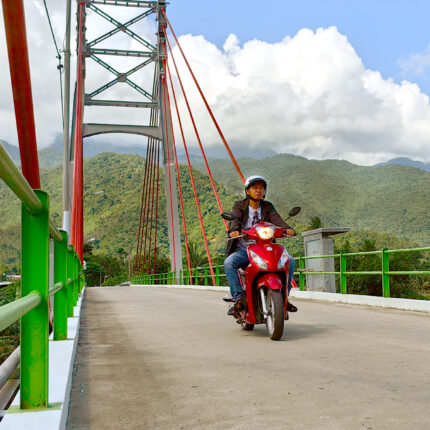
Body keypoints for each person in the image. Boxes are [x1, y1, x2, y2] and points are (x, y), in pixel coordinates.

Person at [223, 175, 298, 316]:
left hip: (264, 249)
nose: (258, 190)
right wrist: (234, 230)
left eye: (261, 188)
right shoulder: (239, 206)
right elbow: (235, 220)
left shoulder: (268, 207)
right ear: (247, 191)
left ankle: (285, 297)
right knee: (229, 263)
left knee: (290, 260)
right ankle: (238, 299)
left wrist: (287, 229)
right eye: (254, 188)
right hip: (245, 250)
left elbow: (277, 220)